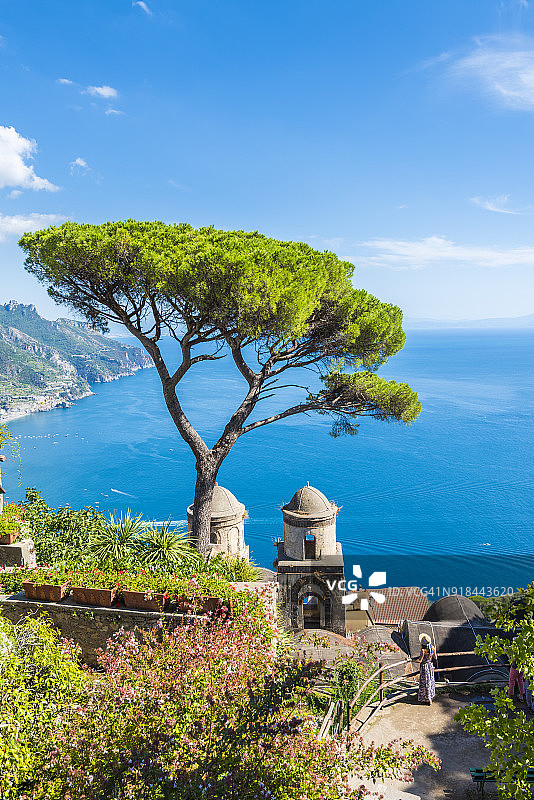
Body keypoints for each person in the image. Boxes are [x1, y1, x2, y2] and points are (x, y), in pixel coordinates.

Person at [414, 632, 436, 705]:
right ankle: (430, 698)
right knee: (430, 682)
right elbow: (435, 657)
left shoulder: (423, 650)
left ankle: (425, 698)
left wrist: (412, 660)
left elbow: (420, 660)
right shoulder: (432, 648)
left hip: (424, 667)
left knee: (425, 682)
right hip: (430, 666)